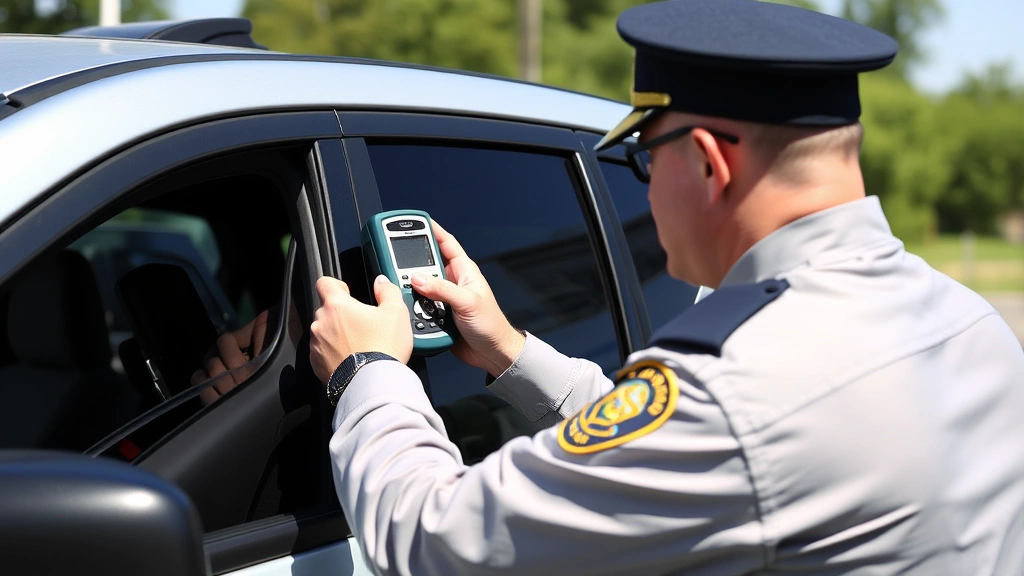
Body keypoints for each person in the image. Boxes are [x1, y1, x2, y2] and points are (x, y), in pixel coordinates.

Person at [307, 0, 1024, 574]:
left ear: (710, 164)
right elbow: (688, 454)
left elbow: (439, 541)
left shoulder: (737, 390)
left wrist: (367, 373)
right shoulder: (969, 323)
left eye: (646, 158)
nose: (644, 190)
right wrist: (510, 351)